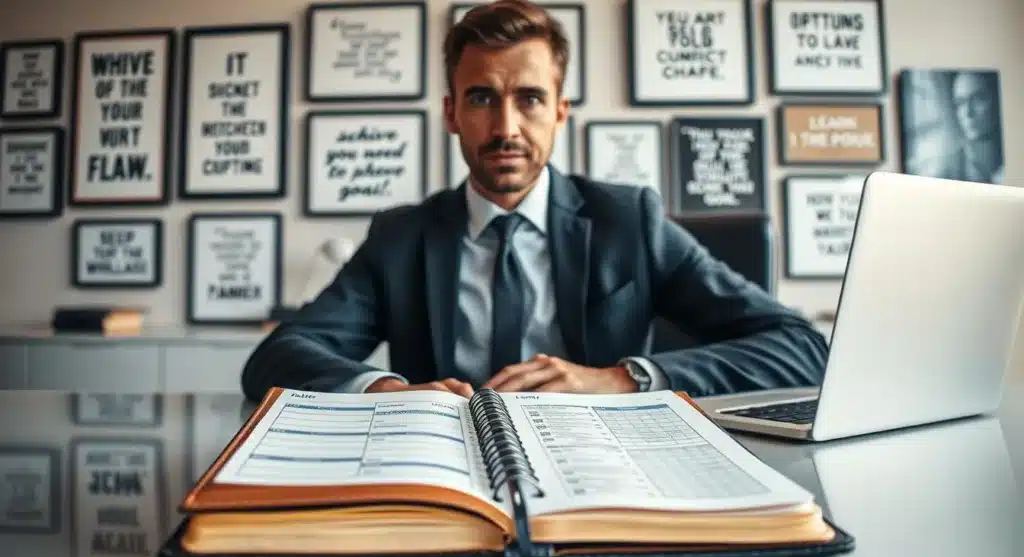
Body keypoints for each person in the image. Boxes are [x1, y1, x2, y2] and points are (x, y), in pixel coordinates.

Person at [239, 0, 828, 402]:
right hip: (447, 480)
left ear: (560, 111)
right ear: (451, 113)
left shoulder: (631, 222)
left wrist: (623, 379)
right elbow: (280, 355)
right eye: (480, 99)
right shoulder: (401, 237)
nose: (506, 127)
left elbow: (801, 347)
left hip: (612, 471)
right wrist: (386, 393)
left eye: (528, 99)